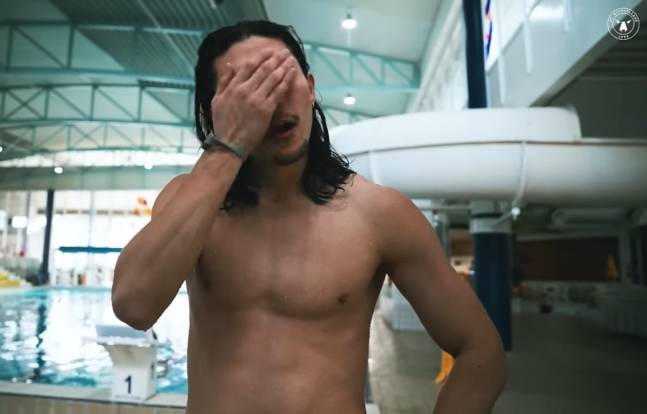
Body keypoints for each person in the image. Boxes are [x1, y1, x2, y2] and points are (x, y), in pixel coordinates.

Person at [112, 20, 507, 414]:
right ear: (215, 110)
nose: (271, 102)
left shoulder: (379, 214)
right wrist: (227, 147)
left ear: (311, 87)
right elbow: (134, 306)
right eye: (248, 89)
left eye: (282, 78)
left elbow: (482, 352)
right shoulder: (190, 204)